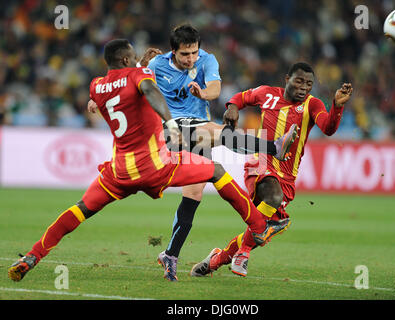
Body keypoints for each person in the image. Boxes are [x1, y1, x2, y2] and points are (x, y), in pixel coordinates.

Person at [7, 39, 290, 283]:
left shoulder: (97, 86)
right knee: (215, 169)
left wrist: (139, 66)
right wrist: (169, 120)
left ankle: (33, 256)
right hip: (156, 165)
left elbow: (110, 92)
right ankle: (257, 225)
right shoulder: (142, 77)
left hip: (118, 173)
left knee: (80, 210)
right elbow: (149, 90)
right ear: (128, 59)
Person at [136, 24, 298, 281]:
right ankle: (273, 147)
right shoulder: (157, 66)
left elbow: (215, 89)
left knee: (194, 195)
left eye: (194, 53)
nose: (191, 59)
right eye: (185, 55)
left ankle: (170, 254)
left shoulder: (207, 60)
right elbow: (131, 85)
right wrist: (133, 69)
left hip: (196, 132)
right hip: (171, 129)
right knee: (219, 131)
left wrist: (203, 92)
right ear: (173, 52)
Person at [190, 62, 353, 277]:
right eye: (299, 81)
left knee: (263, 228)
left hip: (287, 176)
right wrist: (232, 107)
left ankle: (217, 259)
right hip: (260, 164)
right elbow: (240, 98)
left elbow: (328, 128)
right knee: (272, 201)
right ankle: (243, 254)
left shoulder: (313, 105)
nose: (304, 87)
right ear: (287, 79)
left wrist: (337, 107)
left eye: (309, 84)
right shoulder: (267, 93)